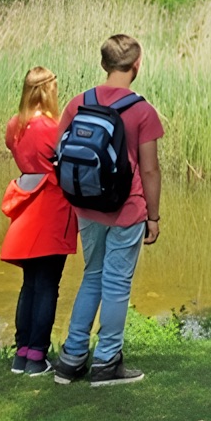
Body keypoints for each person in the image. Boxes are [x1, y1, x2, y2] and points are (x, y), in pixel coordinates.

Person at [52, 34, 164, 387]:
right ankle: (106, 363)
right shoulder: (142, 111)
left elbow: (60, 153)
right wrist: (154, 217)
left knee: (92, 276)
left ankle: (70, 360)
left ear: (103, 65)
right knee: (116, 283)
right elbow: (149, 169)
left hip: (86, 205)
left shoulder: (78, 103)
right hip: (126, 210)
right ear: (137, 65)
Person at [1, 66, 76, 377]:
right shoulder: (53, 127)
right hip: (51, 209)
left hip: (25, 207)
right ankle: (37, 357)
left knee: (30, 284)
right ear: (49, 91)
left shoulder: (15, 125)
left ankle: (22, 354)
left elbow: (18, 151)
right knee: (48, 285)